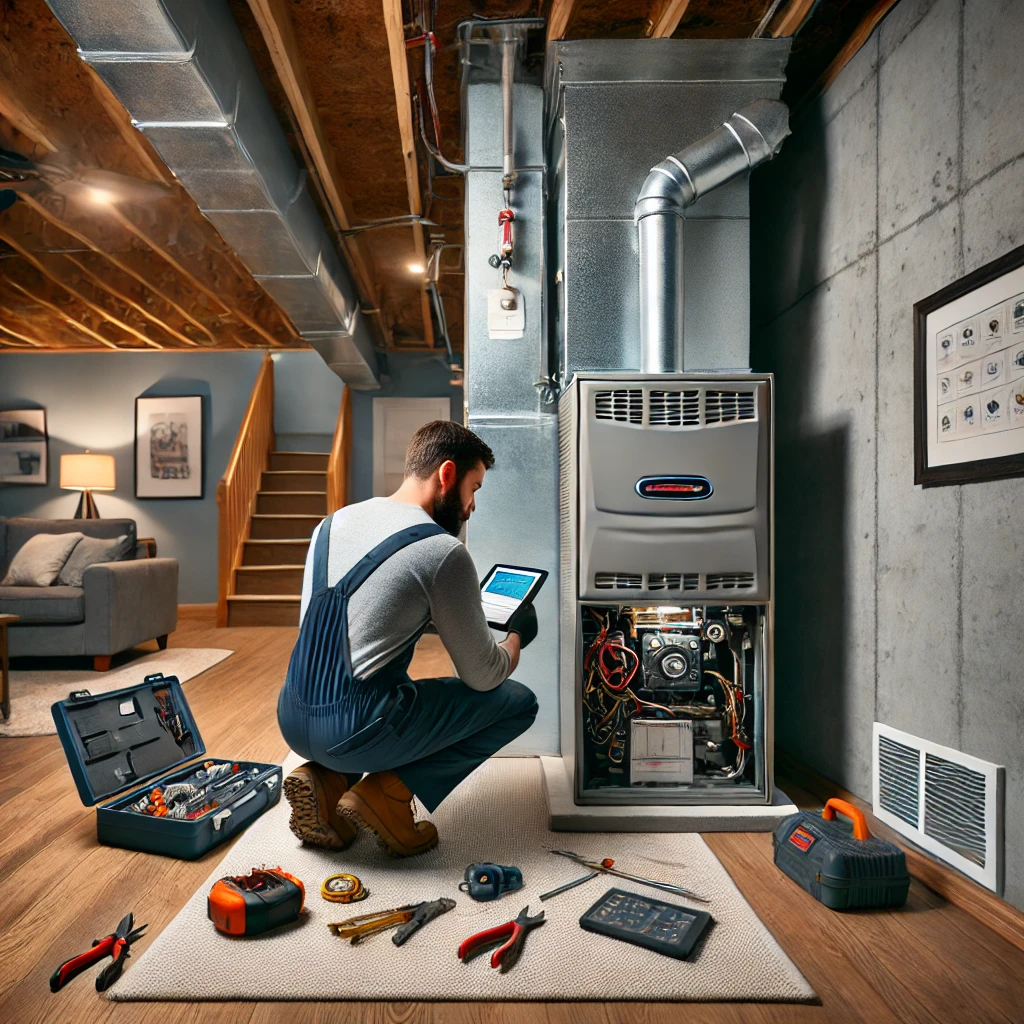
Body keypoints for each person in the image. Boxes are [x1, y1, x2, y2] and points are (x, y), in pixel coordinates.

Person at [276, 420, 539, 858]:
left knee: (385, 698)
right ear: (447, 474)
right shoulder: (442, 551)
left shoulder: (331, 524)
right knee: (516, 702)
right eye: (474, 488)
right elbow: (483, 676)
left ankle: (326, 780)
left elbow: (359, 619)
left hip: (293, 717)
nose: (472, 505)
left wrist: (450, 614)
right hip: (354, 726)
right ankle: (388, 796)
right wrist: (516, 637)